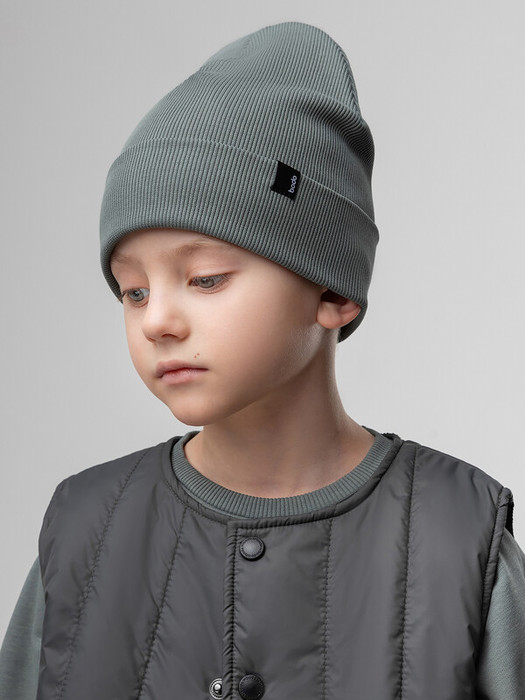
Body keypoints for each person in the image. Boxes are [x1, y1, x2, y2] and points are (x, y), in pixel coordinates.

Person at [1, 21, 524, 700]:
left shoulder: (458, 536)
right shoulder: (84, 531)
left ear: (331, 290)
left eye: (206, 278)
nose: (156, 321)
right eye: (133, 290)